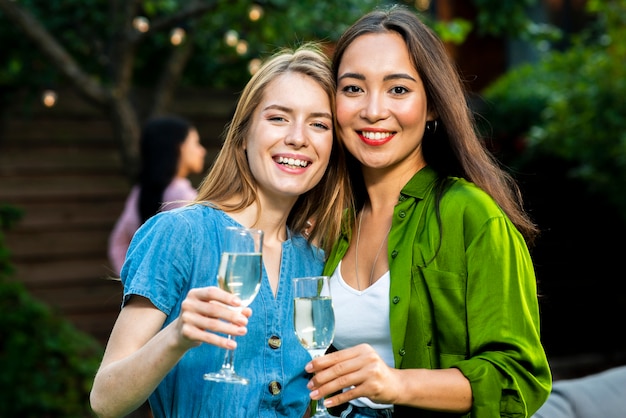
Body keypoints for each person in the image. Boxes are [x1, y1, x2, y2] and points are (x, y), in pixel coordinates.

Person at [305, 5, 552, 417]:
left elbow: (519, 378)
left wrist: (397, 382)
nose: (373, 110)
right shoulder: (328, 220)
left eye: (398, 90)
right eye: (353, 89)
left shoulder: (472, 215)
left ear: (432, 105)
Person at [89, 43, 351, 418]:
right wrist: (177, 336)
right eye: (278, 118)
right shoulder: (180, 234)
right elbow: (105, 401)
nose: (298, 137)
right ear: (243, 135)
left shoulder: (315, 259)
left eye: (319, 124)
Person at [108, 115, 207, 275]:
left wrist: (133, 283)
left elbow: (118, 244)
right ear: (180, 147)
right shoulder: (182, 195)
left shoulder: (140, 191)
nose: (202, 151)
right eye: (196, 143)